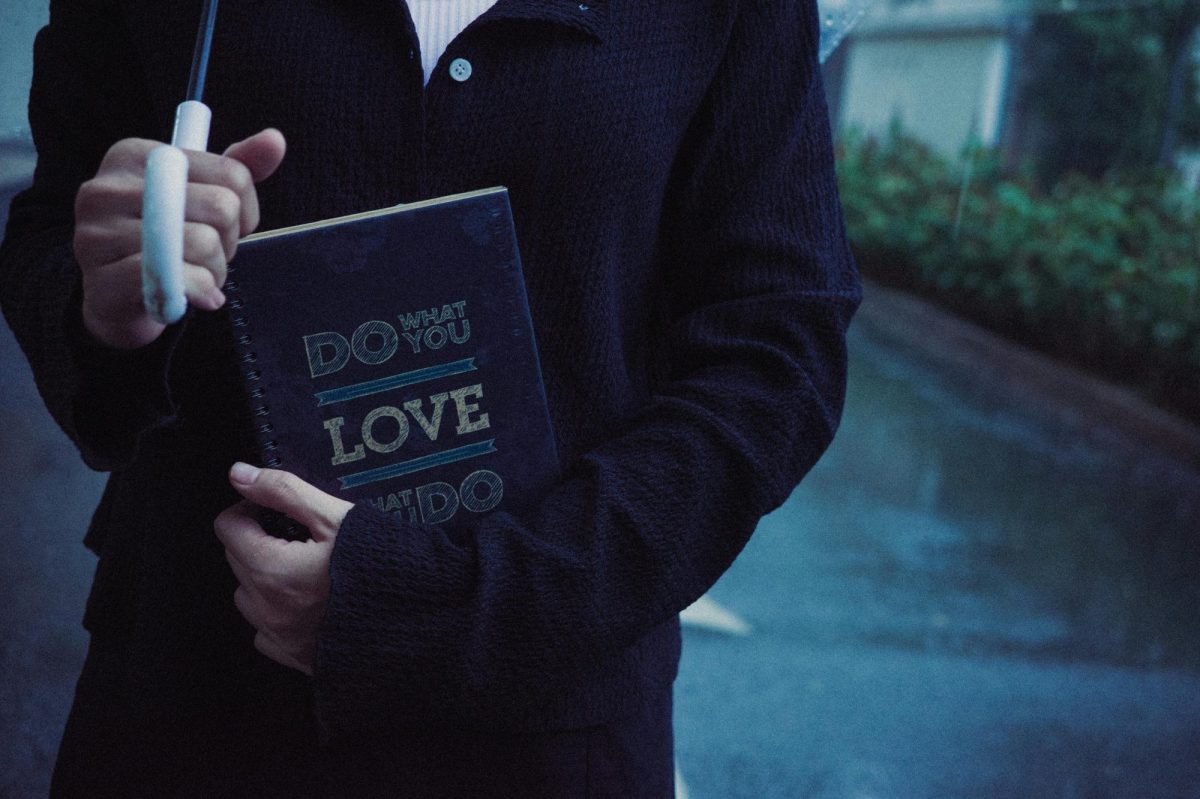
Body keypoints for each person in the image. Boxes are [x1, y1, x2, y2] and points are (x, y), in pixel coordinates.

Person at [0, 0, 861, 795]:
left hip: (551, 727)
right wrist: (104, 299)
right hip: (193, 692)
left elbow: (777, 345)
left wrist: (468, 607)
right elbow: (50, 233)